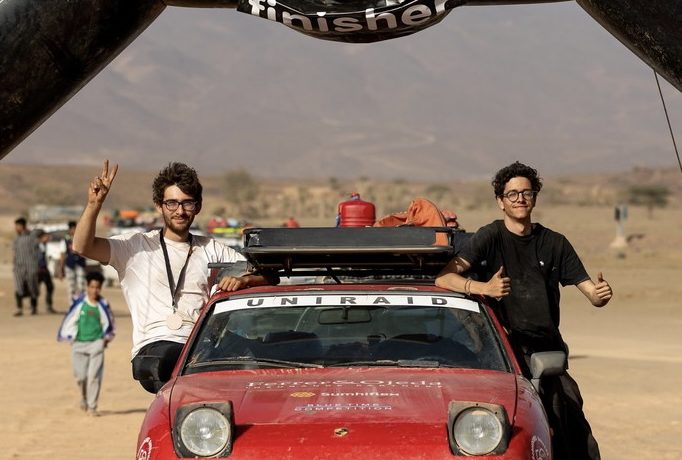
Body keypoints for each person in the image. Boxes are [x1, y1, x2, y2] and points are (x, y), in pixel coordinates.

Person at [435, 161, 612, 460]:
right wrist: (484, 289)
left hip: (547, 353)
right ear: (500, 201)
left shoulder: (554, 243)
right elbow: (444, 277)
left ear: (534, 197)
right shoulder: (490, 237)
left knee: (574, 430)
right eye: (513, 194)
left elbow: (590, 292)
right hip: (503, 356)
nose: (520, 199)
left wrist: (600, 296)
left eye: (526, 193)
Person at [73, 160, 272, 393]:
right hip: (156, 350)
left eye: (187, 203)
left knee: (266, 356)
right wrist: (93, 205)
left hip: (201, 346)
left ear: (197, 207)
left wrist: (244, 280)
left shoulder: (211, 249)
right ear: (159, 205)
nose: (180, 211)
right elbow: (82, 247)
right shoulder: (134, 246)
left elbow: (268, 276)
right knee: (179, 361)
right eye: (172, 203)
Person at [57, 271, 114, 416]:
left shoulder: (103, 305)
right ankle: (84, 397)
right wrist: (69, 336)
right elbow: (69, 319)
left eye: (97, 287)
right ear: (87, 287)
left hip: (96, 344)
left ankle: (92, 406)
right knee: (81, 376)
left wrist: (105, 339)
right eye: (92, 287)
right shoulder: (78, 303)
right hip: (78, 344)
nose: (94, 290)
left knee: (94, 376)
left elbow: (109, 323)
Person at [12, 217, 40, 316]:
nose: (15, 228)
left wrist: (36, 266)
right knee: (18, 287)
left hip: (31, 267)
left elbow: (37, 253)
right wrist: (14, 267)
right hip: (19, 269)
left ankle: (34, 308)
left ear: (21, 226)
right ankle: (19, 308)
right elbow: (15, 254)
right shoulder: (16, 240)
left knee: (32, 287)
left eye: (17, 226)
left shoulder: (32, 238)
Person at [57, 221, 87, 302]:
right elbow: (62, 255)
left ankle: (82, 303)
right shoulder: (65, 240)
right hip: (69, 265)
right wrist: (61, 269)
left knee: (81, 285)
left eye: (75, 228)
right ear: (70, 229)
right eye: (73, 229)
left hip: (80, 264)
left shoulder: (82, 239)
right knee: (71, 286)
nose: (74, 230)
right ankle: (72, 304)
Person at [37, 229, 57, 314]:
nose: (48, 238)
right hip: (38, 270)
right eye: (46, 236)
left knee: (50, 287)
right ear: (41, 237)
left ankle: (49, 306)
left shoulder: (45, 246)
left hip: (45, 270)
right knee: (35, 289)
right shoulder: (36, 246)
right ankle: (33, 307)